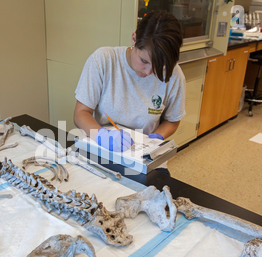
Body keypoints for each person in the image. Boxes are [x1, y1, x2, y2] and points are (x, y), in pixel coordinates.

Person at [73, 10, 186, 155]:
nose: (149, 71)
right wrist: (102, 136)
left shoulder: (174, 75)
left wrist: (154, 139)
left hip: (143, 154)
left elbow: (173, 120)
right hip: (104, 149)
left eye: (159, 65)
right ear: (134, 38)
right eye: (144, 61)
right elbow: (81, 113)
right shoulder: (103, 60)